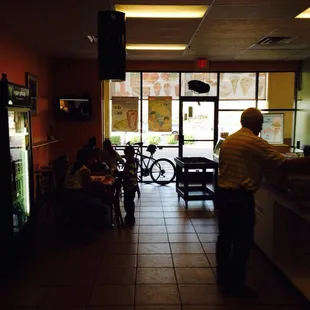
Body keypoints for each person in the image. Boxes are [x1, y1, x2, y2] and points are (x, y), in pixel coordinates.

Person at [216, 107, 310, 298]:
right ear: (255, 123)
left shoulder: (230, 140)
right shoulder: (254, 141)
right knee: (242, 242)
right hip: (240, 199)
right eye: (260, 123)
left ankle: (223, 278)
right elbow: (283, 163)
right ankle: (236, 286)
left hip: (224, 196)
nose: (261, 127)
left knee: (225, 239)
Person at [122, 145, 138, 225]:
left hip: (130, 185)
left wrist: (122, 174)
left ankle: (130, 216)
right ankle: (130, 216)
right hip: (131, 185)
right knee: (129, 201)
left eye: (126, 154)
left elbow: (130, 173)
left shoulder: (130, 162)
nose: (125, 155)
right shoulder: (133, 161)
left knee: (128, 202)